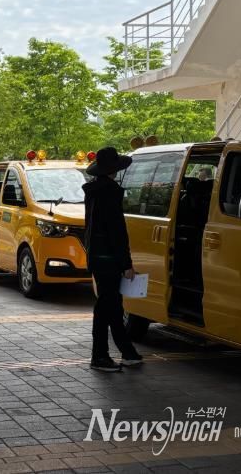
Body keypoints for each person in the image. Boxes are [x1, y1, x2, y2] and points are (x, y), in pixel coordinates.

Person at [83, 147, 143, 372]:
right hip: (109, 259)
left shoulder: (93, 191)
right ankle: (99, 356)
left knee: (112, 305)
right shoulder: (110, 193)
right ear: (113, 170)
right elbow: (117, 232)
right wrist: (126, 263)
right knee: (106, 307)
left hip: (97, 256)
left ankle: (127, 351)